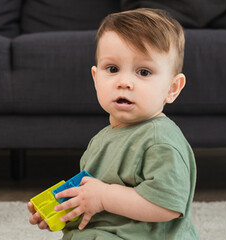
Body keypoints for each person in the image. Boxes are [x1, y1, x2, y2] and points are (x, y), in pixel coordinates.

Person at [27, 8, 199, 239]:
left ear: (172, 88)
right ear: (96, 78)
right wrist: (66, 208)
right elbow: (96, 195)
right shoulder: (102, 138)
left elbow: (167, 206)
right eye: (113, 69)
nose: (124, 82)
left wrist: (103, 196)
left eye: (144, 72)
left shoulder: (160, 141)